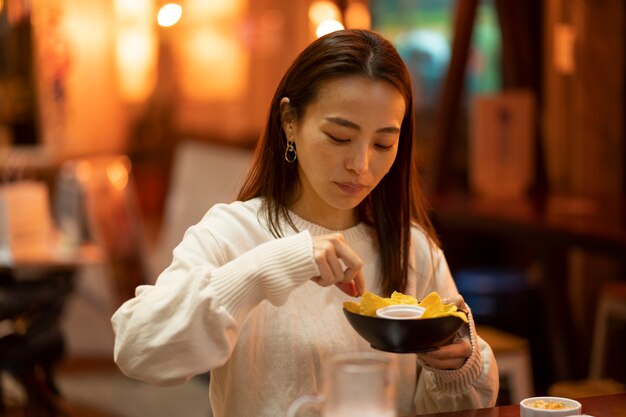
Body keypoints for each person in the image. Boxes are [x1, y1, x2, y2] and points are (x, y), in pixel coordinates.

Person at [112, 29, 499, 417]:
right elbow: (138, 348)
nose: (361, 165)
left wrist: (455, 369)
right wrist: (266, 267)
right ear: (289, 122)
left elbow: (460, 407)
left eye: (383, 144)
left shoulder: (410, 248)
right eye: (339, 136)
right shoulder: (232, 233)